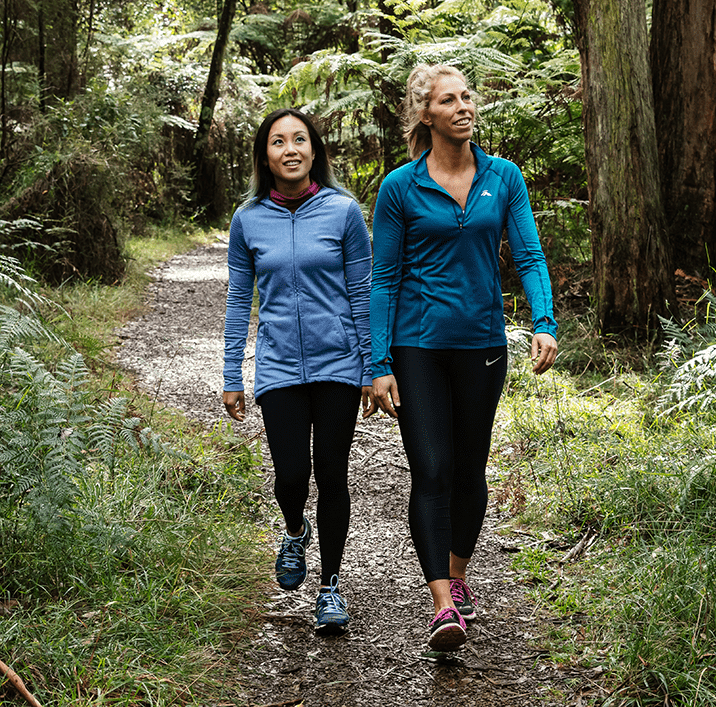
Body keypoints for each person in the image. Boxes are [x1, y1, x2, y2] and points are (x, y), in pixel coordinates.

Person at [365, 64, 560, 652]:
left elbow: (528, 255)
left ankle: (461, 573)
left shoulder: (504, 178)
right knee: (431, 469)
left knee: (470, 470)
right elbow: (383, 279)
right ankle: (442, 605)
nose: (463, 107)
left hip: (481, 343)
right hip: (417, 345)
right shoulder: (400, 186)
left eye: (467, 97)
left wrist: (544, 323)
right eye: (448, 100)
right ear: (427, 115)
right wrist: (377, 363)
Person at [222, 107, 372, 636]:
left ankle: (330, 586)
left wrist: (373, 367)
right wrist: (231, 374)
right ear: (265, 154)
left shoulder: (343, 212)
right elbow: (241, 298)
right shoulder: (249, 219)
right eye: (278, 141)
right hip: (279, 367)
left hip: (338, 366)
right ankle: (294, 529)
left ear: (315, 150)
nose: (290, 149)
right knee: (291, 475)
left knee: (332, 473)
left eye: (300, 140)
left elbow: (361, 294)